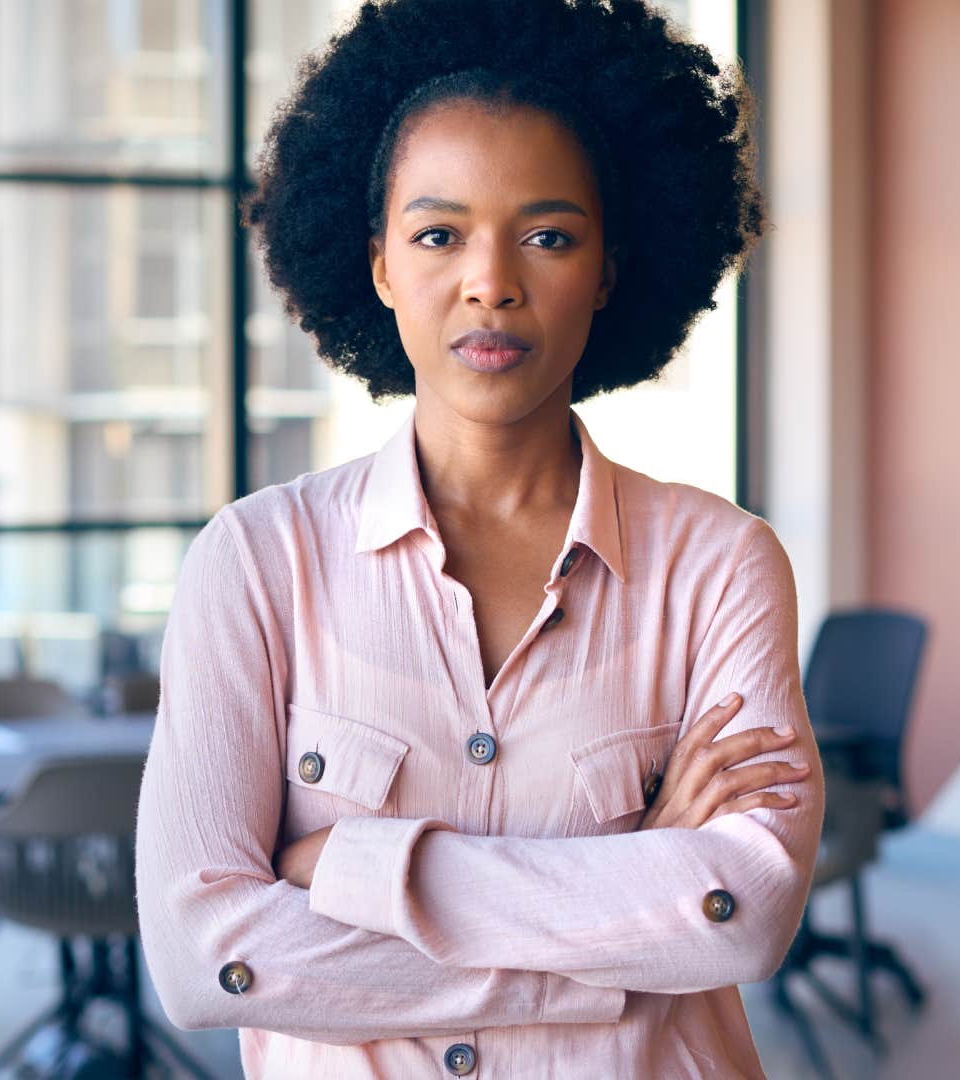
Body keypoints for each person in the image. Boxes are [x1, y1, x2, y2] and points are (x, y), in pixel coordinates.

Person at [134, 1, 824, 1075]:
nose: (491, 280)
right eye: (438, 234)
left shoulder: (722, 565)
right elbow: (204, 959)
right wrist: (637, 889)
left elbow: (742, 914)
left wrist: (351, 869)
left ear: (606, 268)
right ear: (377, 266)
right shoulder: (255, 563)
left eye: (547, 235)